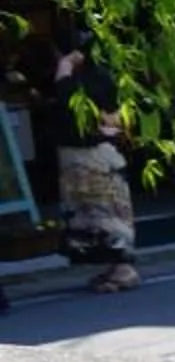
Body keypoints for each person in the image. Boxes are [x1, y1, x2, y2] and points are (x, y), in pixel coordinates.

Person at [51, 34, 138, 292]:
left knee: (105, 211)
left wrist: (64, 71)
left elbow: (70, 105)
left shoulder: (93, 79)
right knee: (91, 211)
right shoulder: (93, 76)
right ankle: (113, 267)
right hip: (81, 154)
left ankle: (124, 268)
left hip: (93, 155)